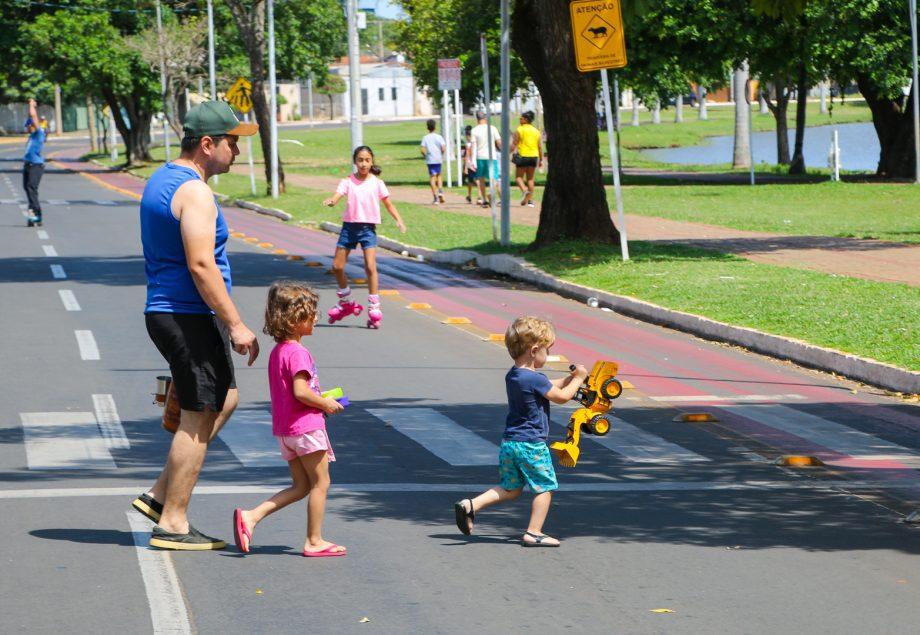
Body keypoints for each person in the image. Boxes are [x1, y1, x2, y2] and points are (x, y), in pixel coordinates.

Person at [134, 101, 260, 550]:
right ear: (207, 145)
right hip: (186, 314)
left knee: (223, 398)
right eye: (232, 142)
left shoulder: (162, 178)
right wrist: (237, 324)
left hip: (169, 312)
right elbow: (202, 264)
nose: (238, 151)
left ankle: (158, 495)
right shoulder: (196, 193)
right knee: (198, 415)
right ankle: (173, 522)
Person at [233, 282, 346, 557]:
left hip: (286, 431)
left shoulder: (278, 352)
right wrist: (326, 403)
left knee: (301, 486)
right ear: (296, 319)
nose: (316, 318)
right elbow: (300, 391)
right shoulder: (298, 352)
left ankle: (251, 517)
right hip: (306, 428)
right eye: (311, 313)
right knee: (321, 483)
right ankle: (314, 540)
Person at [453, 316, 587, 547]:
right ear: (534, 350)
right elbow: (562, 397)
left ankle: (470, 505)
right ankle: (534, 532)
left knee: (511, 488)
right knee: (545, 487)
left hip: (510, 443)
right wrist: (580, 379)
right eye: (548, 350)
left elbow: (545, 384)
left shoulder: (515, 375)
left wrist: (568, 379)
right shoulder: (534, 378)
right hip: (531, 444)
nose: (549, 354)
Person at [323, 145, 406, 329]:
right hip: (349, 228)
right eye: (360, 160)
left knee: (370, 266)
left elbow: (388, 204)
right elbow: (337, 196)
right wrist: (332, 201)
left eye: (367, 160)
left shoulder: (377, 183)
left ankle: (374, 305)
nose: (363, 163)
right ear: (355, 161)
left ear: (372, 161)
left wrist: (399, 220)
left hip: (368, 229)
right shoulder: (348, 181)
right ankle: (346, 302)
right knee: (337, 266)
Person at [510, 111, 543, 208]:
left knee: (518, 178)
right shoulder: (536, 131)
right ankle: (529, 201)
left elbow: (514, 144)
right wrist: (541, 159)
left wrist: (507, 153)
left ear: (526, 120)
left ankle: (525, 191)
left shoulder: (519, 129)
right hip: (534, 156)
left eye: (521, 118)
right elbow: (540, 146)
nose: (520, 119)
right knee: (530, 179)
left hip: (523, 156)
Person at [470, 111, 501, 208]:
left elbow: (473, 146)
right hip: (492, 157)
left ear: (477, 119)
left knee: (481, 179)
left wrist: (472, 160)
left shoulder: (474, 130)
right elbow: (499, 142)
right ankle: (491, 192)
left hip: (480, 157)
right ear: (485, 118)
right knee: (494, 178)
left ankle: (484, 200)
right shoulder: (492, 128)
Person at [23, 99, 46, 227]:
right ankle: (33, 216)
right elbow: (29, 117)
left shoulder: (39, 133)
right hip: (27, 165)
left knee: (31, 189)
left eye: (29, 125)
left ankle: (37, 215)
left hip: (36, 165)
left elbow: (33, 116)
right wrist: (29, 109)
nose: (27, 127)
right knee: (28, 190)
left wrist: (32, 105)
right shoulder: (31, 136)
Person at [419, 119, 446, 204]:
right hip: (438, 158)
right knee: (439, 175)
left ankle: (435, 197)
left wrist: (426, 156)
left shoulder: (425, 138)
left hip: (430, 159)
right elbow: (443, 148)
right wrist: (441, 154)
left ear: (427, 127)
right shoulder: (439, 137)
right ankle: (440, 191)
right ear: (435, 126)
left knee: (432, 177)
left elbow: (422, 150)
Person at [462, 125, 480, 205]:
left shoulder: (468, 144)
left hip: (470, 165)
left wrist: (465, 167)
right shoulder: (476, 143)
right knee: (477, 180)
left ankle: (472, 196)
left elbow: (467, 156)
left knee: (472, 181)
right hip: (477, 163)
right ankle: (477, 196)